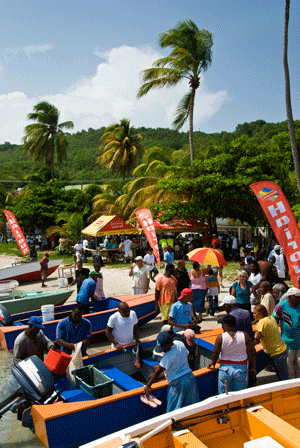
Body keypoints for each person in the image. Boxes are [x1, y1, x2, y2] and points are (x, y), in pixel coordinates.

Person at [143, 331, 199, 412]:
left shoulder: (168, 355)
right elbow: (188, 357)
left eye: (164, 348)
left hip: (177, 384)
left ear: (169, 343)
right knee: (192, 409)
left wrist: (148, 386)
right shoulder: (179, 343)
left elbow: (158, 371)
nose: (163, 350)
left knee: (173, 412)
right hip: (190, 378)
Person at [207, 314, 255, 394]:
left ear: (225, 325)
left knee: (224, 396)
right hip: (241, 369)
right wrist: (253, 368)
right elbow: (251, 354)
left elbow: (215, 354)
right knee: (239, 395)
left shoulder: (220, 337)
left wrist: (213, 362)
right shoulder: (245, 336)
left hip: (225, 370)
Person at [253, 304, 288, 380]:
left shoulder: (262, 322)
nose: (253, 315)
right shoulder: (271, 318)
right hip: (283, 350)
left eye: (255, 313)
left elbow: (256, 338)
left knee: (283, 379)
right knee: (284, 376)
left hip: (277, 354)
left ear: (261, 313)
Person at [272, 288, 300, 378]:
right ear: (290, 297)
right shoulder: (281, 306)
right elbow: (272, 321)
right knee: (289, 368)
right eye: (297, 297)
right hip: (287, 344)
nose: (299, 299)